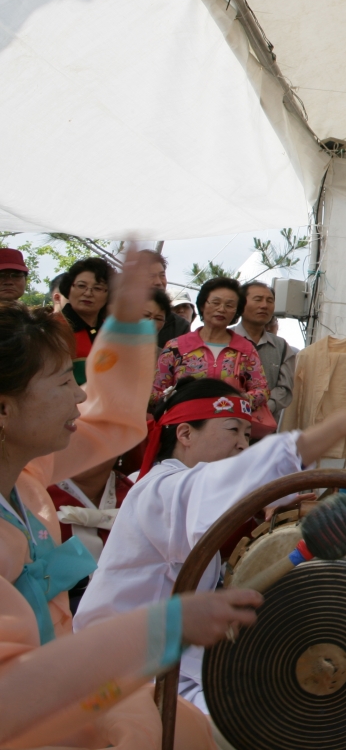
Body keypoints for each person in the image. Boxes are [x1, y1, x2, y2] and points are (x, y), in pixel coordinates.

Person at [75, 378, 346, 714]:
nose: (241, 446)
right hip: (125, 672)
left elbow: (230, 485)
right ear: (185, 434)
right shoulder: (159, 489)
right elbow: (227, 481)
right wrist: (341, 425)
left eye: (247, 436)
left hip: (161, 661)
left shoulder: (175, 487)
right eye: (232, 430)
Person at [0, 248, 222, 748]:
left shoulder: (23, 470)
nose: (78, 396)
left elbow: (108, 417)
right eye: (62, 382)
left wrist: (124, 325)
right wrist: (163, 627)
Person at [0, 587, 260, 747]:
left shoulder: (30, 501)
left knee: (177, 720)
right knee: (147, 731)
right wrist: (168, 626)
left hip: (53, 687)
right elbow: (10, 702)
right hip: (31, 705)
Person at [151, 276, 267, 413]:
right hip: (183, 423)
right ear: (202, 305)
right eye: (216, 302)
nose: (222, 309)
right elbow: (156, 390)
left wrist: (237, 399)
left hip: (229, 423)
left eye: (229, 305)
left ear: (236, 311)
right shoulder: (175, 347)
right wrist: (181, 399)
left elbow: (262, 390)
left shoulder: (246, 349)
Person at [233, 282, 297, 422]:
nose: (264, 305)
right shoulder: (225, 337)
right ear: (241, 304)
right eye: (258, 299)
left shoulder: (281, 346)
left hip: (263, 427)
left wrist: (263, 408)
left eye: (270, 301)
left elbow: (285, 388)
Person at [60, 257, 113, 384]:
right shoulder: (52, 327)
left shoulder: (112, 332)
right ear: (68, 288)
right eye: (81, 286)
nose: (88, 293)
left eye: (98, 288)